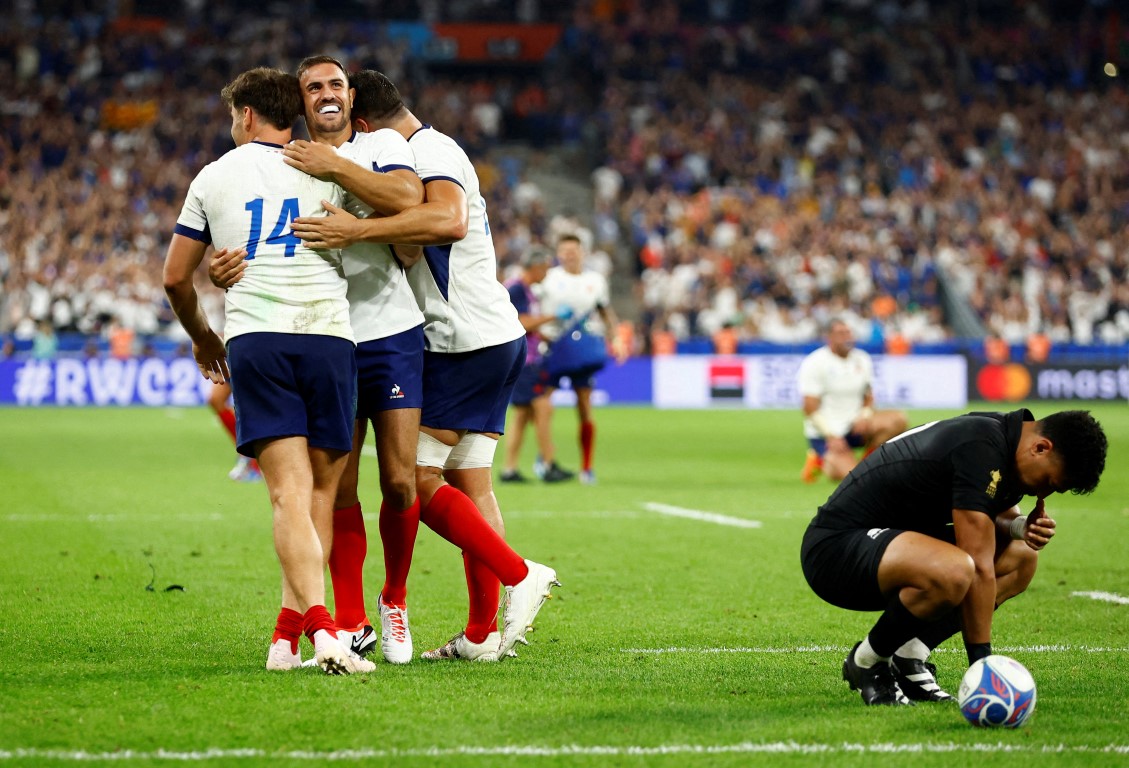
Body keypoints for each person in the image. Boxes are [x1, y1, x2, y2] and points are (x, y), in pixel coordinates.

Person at [253, 69, 560, 663]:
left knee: (413, 480)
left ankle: (501, 579)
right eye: (313, 90)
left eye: (336, 89)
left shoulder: (422, 149)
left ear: (359, 115)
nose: (326, 99)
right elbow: (411, 244)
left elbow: (442, 222)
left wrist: (353, 228)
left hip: (457, 338)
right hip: (461, 336)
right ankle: (477, 634)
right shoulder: (378, 152)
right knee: (466, 482)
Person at [163, 66, 372, 675]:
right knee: (322, 495)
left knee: (286, 492)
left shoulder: (214, 175)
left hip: (257, 340)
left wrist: (205, 339)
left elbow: (175, 278)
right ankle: (308, 633)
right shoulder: (330, 165)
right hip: (330, 338)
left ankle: (302, 634)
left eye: (234, 117)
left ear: (248, 115)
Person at [800, 409, 1107, 706]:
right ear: (1041, 448)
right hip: (836, 549)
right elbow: (978, 567)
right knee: (956, 570)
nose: (1044, 494)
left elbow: (991, 509)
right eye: (1050, 483)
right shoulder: (981, 447)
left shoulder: (1006, 439)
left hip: (889, 546)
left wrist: (1018, 527)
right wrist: (983, 667)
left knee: (1022, 556)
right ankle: (867, 661)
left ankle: (909, 653)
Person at [537, 233, 624, 485]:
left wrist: (615, 337)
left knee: (584, 405)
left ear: (582, 252)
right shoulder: (550, 278)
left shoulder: (595, 281)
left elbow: (605, 312)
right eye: (564, 250)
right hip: (551, 346)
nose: (569, 254)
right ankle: (546, 458)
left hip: (581, 351)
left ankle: (587, 466)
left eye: (573, 250)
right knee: (542, 404)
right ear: (558, 254)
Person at [797, 318, 908, 483]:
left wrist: (864, 415)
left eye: (849, 333)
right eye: (841, 333)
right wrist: (831, 436)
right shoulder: (815, 363)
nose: (847, 337)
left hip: (855, 426)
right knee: (852, 479)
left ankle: (869, 464)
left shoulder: (862, 359)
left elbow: (868, 396)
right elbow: (809, 408)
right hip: (827, 433)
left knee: (898, 420)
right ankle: (819, 460)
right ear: (829, 337)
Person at [500, 245, 574, 484]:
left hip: (524, 357)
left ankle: (509, 469)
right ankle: (548, 463)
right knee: (543, 408)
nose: (547, 274)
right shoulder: (517, 289)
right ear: (536, 267)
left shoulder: (526, 290)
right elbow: (519, 321)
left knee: (522, 415)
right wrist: (551, 318)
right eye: (545, 269)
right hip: (524, 362)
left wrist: (544, 336)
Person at [208, 381, 261, 482]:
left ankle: (255, 458)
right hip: (233, 364)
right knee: (216, 399)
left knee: (252, 402)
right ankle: (248, 453)